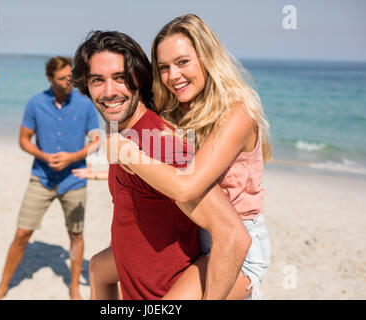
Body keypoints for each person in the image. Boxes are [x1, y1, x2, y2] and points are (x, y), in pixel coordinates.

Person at [71, 30, 252, 300]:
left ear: (138, 78)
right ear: (86, 86)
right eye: (98, 80)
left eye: (120, 78)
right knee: (98, 265)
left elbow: (233, 235)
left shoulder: (162, 146)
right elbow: (103, 263)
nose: (109, 92)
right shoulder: (123, 136)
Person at [110, 14, 272, 299]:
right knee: (106, 268)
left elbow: (187, 185)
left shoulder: (237, 114)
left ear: (208, 57)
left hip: (238, 249)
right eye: (163, 67)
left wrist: (128, 154)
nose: (173, 76)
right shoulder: (176, 113)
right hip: (194, 240)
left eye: (183, 62)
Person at [0, 56, 100, 300]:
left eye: (71, 76)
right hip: (41, 178)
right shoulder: (35, 103)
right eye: (62, 78)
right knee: (21, 234)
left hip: (74, 178)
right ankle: (3, 286)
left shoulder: (85, 104)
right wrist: (43, 155)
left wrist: (74, 157)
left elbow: (96, 140)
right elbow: (23, 140)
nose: (69, 82)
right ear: (50, 79)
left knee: (76, 235)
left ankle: (73, 287)